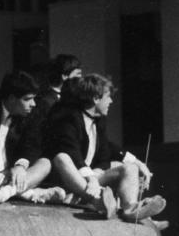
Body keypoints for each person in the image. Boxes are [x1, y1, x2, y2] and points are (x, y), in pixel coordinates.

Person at [45, 72, 166, 223]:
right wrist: (91, 179)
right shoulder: (69, 120)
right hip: (71, 180)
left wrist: (138, 163)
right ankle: (98, 202)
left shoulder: (99, 121)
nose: (111, 101)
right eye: (108, 96)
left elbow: (106, 151)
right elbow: (72, 154)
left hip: (90, 180)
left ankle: (131, 210)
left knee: (130, 168)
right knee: (61, 158)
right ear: (96, 98)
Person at [0, 70, 65, 205]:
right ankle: (31, 194)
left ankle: (6, 193)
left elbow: (32, 144)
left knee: (45, 163)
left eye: (33, 98)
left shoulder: (32, 112)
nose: (33, 104)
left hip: (12, 173)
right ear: (11, 99)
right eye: (27, 99)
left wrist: (19, 165)